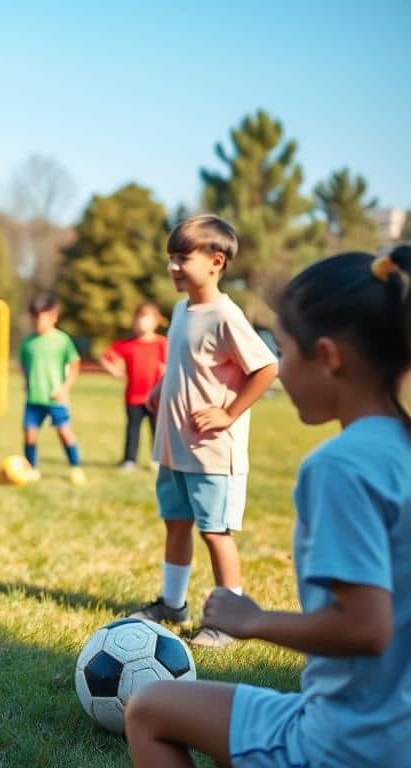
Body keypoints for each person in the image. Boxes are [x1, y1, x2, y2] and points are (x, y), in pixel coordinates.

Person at [126, 246, 411, 767]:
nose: (277, 369)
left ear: (328, 356)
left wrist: (252, 620)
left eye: (283, 350)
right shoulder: (400, 448)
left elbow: (365, 629)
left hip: (349, 741)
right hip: (394, 727)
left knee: (147, 708)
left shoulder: (342, 466)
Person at [130, 215, 278, 648]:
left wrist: (229, 413)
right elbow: (185, 364)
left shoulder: (226, 316)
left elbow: (266, 368)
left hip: (213, 452)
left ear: (216, 261)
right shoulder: (181, 310)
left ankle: (229, 620)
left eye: (183, 258)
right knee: (176, 524)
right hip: (174, 446)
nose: (173, 267)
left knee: (214, 531)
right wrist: (160, 388)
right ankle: (172, 605)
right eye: (171, 258)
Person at [18, 292, 85, 484]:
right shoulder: (28, 343)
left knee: (64, 432)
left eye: (41, 317)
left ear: (54, 316)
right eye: (34, 318)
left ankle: (75, 467)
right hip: (34, 399)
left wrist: (65, 388)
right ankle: (32, 468)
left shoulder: (62, 340)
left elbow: (75, 364)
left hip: (56, 399)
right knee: (29, 434)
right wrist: (25, 379)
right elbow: (23, 363)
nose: (36, 322)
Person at [99, 302, 168, 471]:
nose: (141, 322)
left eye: (146, 318)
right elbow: (105, 357)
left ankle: (158, 460)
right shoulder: (128, 344)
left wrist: (164, 373)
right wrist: (116, 372)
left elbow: (171, 364)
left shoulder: (162, 343)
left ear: (156, 321)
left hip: (156, 397)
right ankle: (130, 460)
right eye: (138, 318)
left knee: (157, 430)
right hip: (133, 397)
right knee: (132, 429)